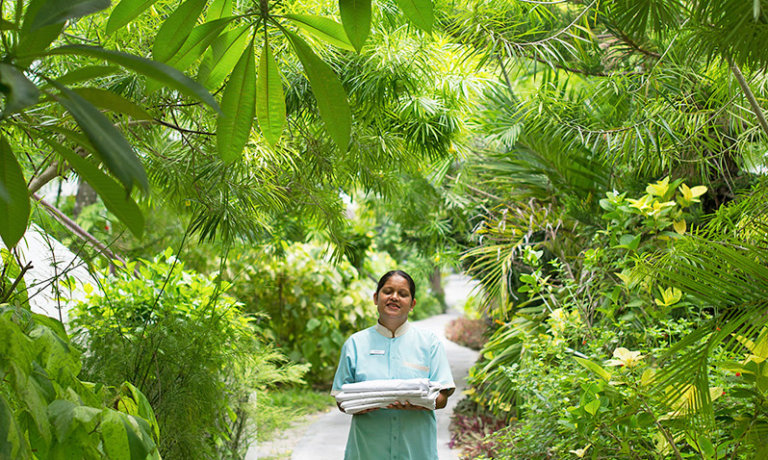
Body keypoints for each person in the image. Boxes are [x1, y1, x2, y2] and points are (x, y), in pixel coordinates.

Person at [332, 270, 455, 460]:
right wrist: (359, 405)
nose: (394, 298)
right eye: (388, 291)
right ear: (376, 297)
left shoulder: (430, 343)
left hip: (416, 451)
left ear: (412, 304)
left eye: (403, 294)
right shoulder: (355, 344)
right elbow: (341, 397)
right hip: (367, 451)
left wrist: (420, 402)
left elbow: (442, 397)